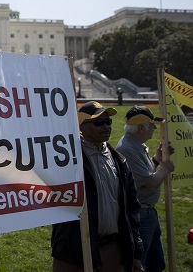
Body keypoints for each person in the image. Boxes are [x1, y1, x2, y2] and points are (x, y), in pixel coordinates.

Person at [51, 101, 144, 272]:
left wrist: (135, 251)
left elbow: (132, 209)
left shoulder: (119, 160)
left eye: (108, 122)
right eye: (99, 122)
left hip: (113, 250)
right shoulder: (68, 158)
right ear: (81, 126)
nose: (106, 126)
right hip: (75, 252)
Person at [116, 106, 175, 272]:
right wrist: (164, 168)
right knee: (140, 264)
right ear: (141, 127)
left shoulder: (135, 145)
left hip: (147, 213)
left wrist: (156, 159)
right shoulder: (127, 149)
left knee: (155, 263)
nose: (155, 128)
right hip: (140, 215)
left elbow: (144, 174)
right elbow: (149, 183)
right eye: (151, 125)